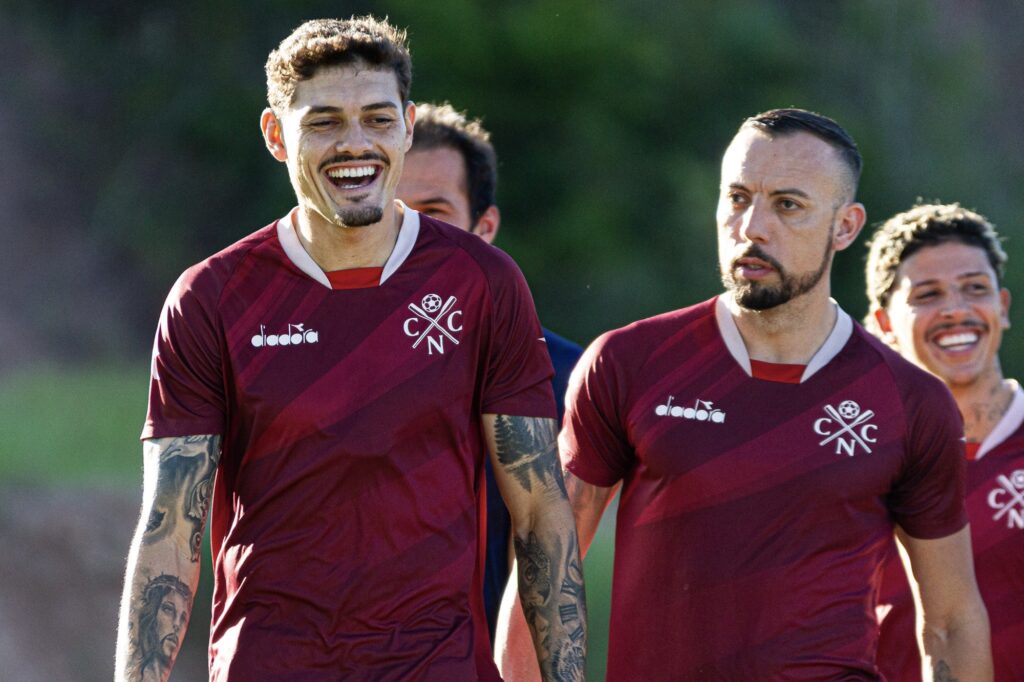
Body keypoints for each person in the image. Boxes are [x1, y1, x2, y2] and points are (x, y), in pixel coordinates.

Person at [115, 17, 585, 680]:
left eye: (377, 119)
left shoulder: (483, 282)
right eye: (325, 122)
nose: (355, 143)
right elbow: (168, 534)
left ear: (407, 127)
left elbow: (539, 515)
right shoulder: (210, 298)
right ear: (276, 135)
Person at [497, 108, 991, 680]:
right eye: (737, 198)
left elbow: (950, 621)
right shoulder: (628, 361)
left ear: (845, 226)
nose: (752, 226)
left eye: (788, 205)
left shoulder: (911, 402)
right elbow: (547, 562)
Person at [396, 102, 584, 643]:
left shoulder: (563, 376)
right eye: (395, 211)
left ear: (484, 227)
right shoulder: (325, 361)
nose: (412, 231)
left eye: (435, 210)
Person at [865, 203, 1024, 680]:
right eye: (928, 294)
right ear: (885, 324)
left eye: (975, 288)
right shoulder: (855, 462)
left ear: (1002, 306)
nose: (956, 310)